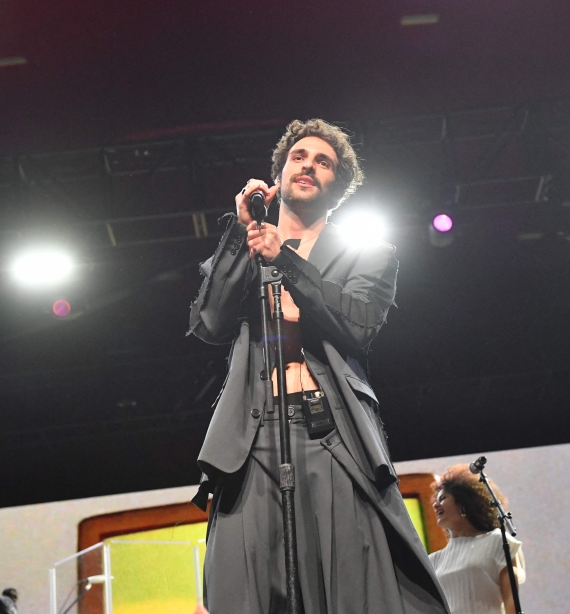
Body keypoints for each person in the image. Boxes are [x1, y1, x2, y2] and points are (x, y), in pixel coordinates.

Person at [188, 119, 449, 614]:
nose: (307, 165)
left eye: (323, 162)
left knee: (349, 582)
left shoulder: (368, 254)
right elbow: (210, 322)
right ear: (280, 173)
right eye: (298, 157)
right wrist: (241, 230)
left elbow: (358, 325)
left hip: (329, 434)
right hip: (252, 438)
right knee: (248, 585)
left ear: (339, 188)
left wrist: (285, 260)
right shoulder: (249, 245)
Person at [429, 465, 526, 614]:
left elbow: (511, 602)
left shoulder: (498, 542)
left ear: (463, 503)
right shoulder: (433, 561)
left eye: (442, 498)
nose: (435, 505)